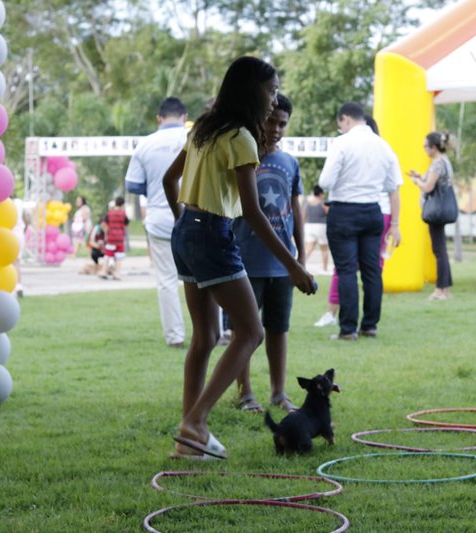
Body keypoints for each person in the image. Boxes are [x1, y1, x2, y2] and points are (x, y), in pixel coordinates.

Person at [163, 56, 315, 460]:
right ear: (252, 91)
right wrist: (294, 265)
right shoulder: (242, 139)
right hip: (212, 234)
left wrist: (187, 224)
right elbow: (253, 211)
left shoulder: (205, 131)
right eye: (270, 90)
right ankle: (195, 423)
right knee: (250, 332)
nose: (273, 99)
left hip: (187, 232)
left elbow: (168, 179)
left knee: (206, 337)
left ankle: (187, 439)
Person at [232, 93, 304, 413]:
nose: (276, 128)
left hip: (282, 262)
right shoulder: (244, 156)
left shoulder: (289, 162)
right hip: (247, 258)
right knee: (246, 331)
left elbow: (294, 208)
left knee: (278, 327)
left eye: (282, 123)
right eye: (271, 121)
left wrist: (298, 252)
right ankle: (245, 393)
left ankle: (279, 392)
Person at [318, 104, 402, 340]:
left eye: (340, 123)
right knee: (372, 270)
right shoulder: (383, 145)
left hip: (344, 209)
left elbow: (325, 181)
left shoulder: (341, 143)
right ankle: (370, 325)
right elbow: (391, 185)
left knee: (346, 270)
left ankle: (347, 329)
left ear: (345, 119)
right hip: (372, 211)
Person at [125, 97, 189, 348]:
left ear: (159, 118)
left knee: (167, 281)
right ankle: (213, 332)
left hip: (161, 220)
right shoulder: (196, 139)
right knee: (208, 278)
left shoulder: (145, 144)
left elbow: (133, 185)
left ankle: (175, 337)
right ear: (184, 117)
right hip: (196, 217)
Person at [409, 131, 455, 300]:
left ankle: (441, 288)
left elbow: (428, 187)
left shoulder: (437, 163)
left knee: (439, 250)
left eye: (426, 146)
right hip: (441, 209)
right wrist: (421, 177)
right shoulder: (445, 162)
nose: (425, 150)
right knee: (441, 249)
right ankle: (445, 288)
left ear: (433, 147)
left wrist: (417, 182)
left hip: (435, 211)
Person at [98, 196, 129, 280]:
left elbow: (103, 225)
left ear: (115, 203)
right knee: (119, 257)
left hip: (111, 238)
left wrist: (106, 233)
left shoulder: (109, 213)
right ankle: (117, 274)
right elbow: (126, 225)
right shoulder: (123, 214)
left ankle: (104, 271)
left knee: (108, 255)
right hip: (120, 239)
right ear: (123, 204)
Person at [304, 185, 330, 273]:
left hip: (309, 226)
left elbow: (304, 215)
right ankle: (325, 269)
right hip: (321, 226)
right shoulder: (322, 202)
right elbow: (328, 213)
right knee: (324, 249)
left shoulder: (307, 202)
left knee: (309, 248)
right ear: (321, 194)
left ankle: (301, 264)